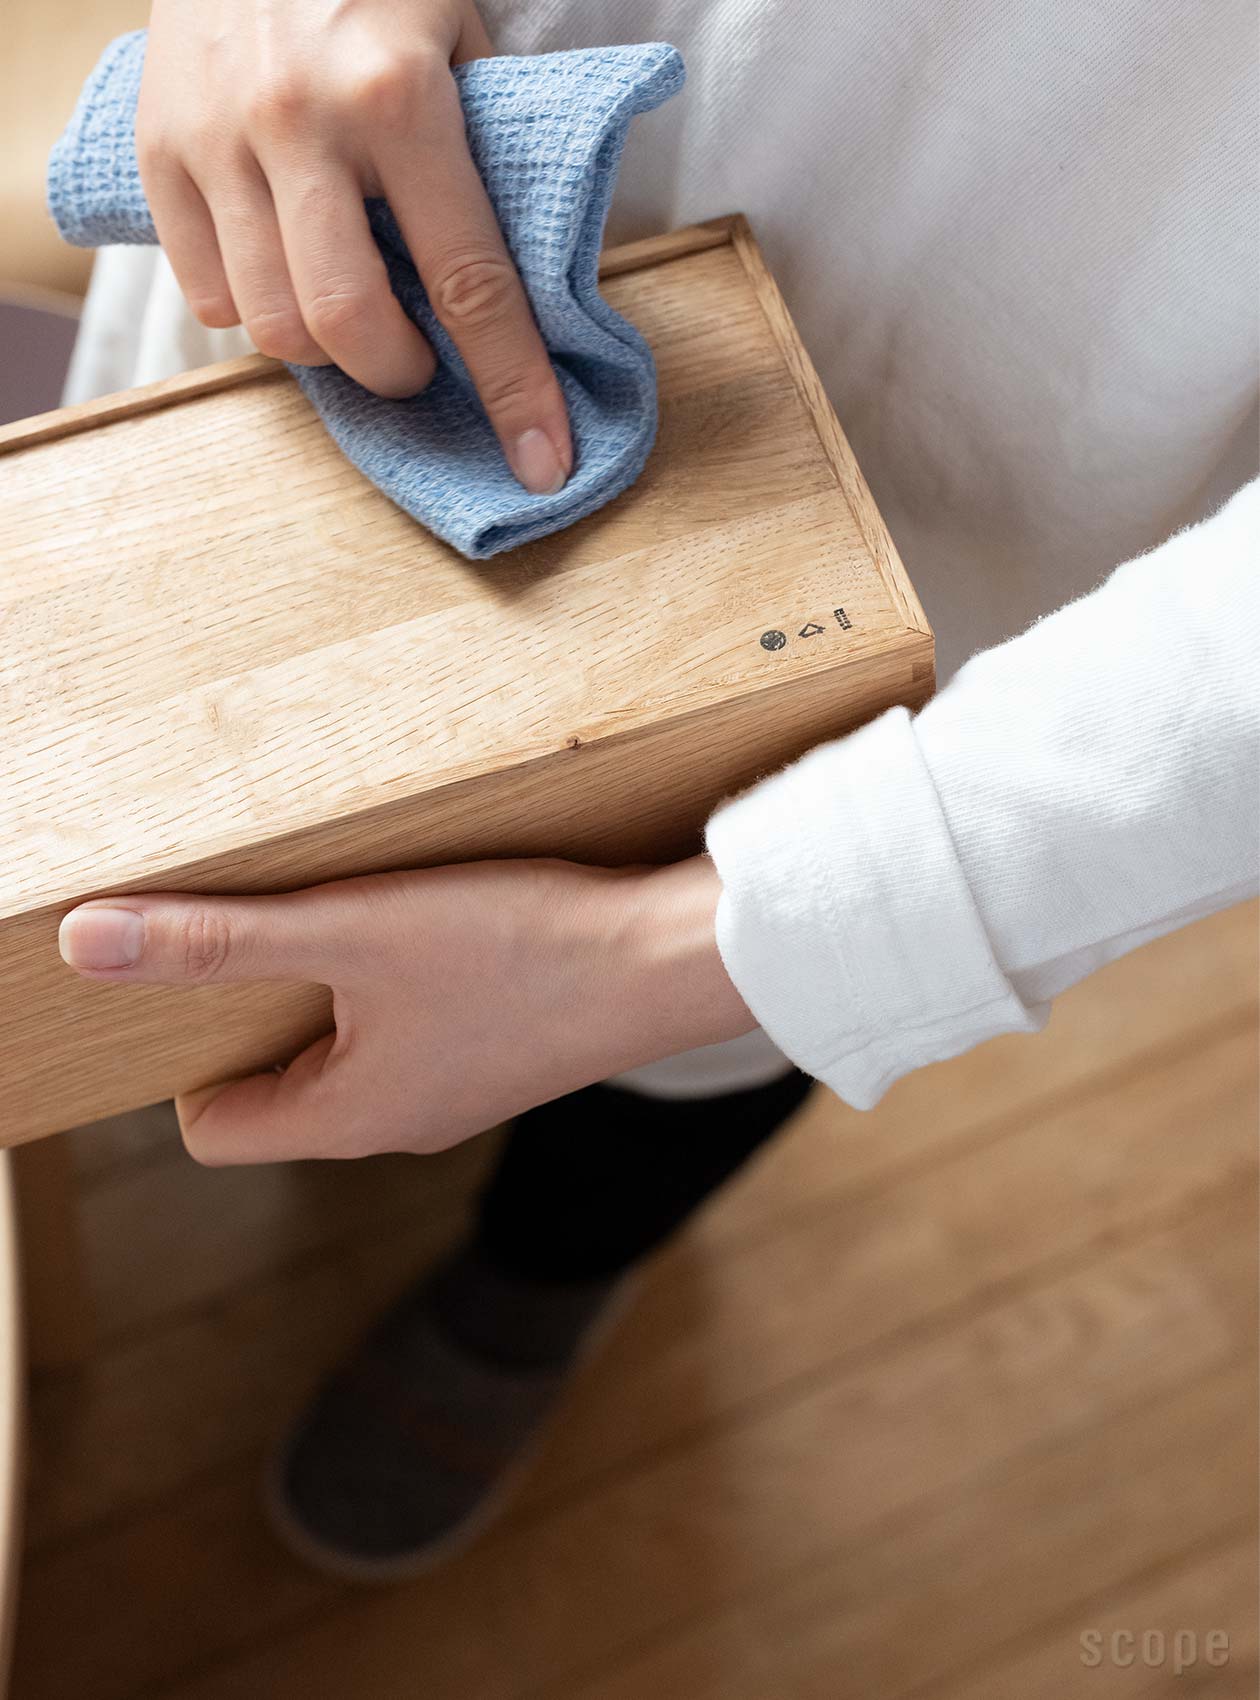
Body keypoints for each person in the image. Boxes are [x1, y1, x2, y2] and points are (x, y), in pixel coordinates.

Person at [56, 0, 1258, 1578]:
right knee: (151, 770)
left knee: (703, 1027)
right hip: (345, 180)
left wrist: (714, 946)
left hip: (1006, 460)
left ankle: (541, 1279)